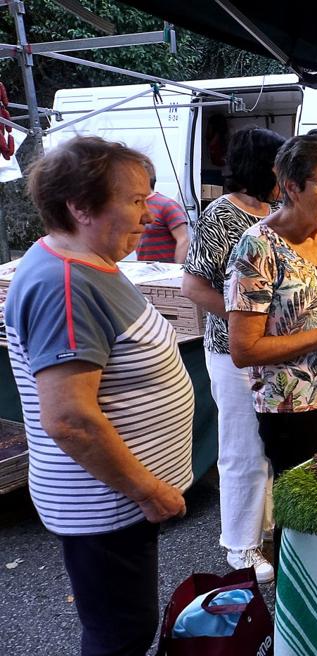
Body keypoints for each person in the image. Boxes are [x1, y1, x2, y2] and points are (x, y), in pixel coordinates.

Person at [4, 136, 193, 656]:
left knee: (127, 625)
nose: (149, 214)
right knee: (120, 634)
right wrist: (148, 491)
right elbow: (70, 419)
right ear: (80, 207)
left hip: (118, 501)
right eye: (134, 200)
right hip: (105, 502)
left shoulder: (91, 264)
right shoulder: (63, 283)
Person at [226, 134, 317, 476]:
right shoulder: (258, 249)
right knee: (301, 514)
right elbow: (244, 350)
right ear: (292, 188)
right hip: (294, 410)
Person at [182, 127, 285, 583]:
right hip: (231, 352)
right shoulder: (221, 215)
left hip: (272, 351)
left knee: (267, 446)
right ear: (262, 167)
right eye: (280, 164)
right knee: (242, 447)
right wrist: (240, 316)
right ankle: (241, 547)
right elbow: (192, 285)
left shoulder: (275, 213)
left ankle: (266, 530)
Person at [135, 160, 190, 263]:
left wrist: (175, 271)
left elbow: (183, 240)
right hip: (143, 271)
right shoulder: (133, 205)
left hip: (164, 274)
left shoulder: (167, 205)